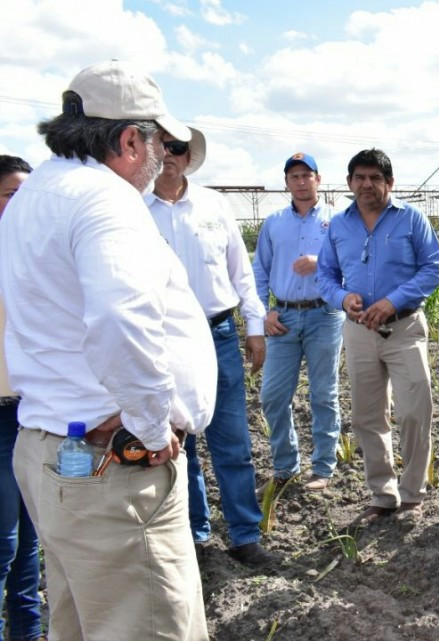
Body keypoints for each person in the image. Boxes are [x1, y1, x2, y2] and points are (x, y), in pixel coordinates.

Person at [0, 60, 214, 641]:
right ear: (128, 140)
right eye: (160, 143)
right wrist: (150, 426)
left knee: (81, 623)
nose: (161, 158)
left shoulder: (33, 195)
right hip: (112, 471)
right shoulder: (104, 200)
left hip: (55, 454)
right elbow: (120, 320)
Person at [146, 126, 275, 567]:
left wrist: (254, 327)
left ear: (188, 157)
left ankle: (244, 534)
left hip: (217, 333)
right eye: (162, 145)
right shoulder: (132, 208)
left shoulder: (213, 205)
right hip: (160, 338)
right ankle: (194, 534)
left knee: (232, 441)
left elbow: (242, 273)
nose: (169, 154)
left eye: (178, 148)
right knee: (179, 441)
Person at [316, 148, 439, 524]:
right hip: (358, 332)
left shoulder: (410, 219)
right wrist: (343, 297)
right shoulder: (339, 225)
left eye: (375, 178)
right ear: (350, 183)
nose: (366, 184)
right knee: (367, 416)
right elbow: (325, 275)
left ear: (390, 183)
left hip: (404, 328)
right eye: (359, 177)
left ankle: (412, 494)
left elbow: (434, 269)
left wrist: (393, 301)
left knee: (414, 411)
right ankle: (382, 493)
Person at [254, 152, 345, 493]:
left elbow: (351, 264)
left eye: (307, 175)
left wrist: (320, 261)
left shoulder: (338, 221)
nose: (301, 182)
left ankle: (322, 467)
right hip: (284, 317)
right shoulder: (274, 223)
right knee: (273, 396)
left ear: (318, 179)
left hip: (325, 314)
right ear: (287, 183)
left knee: (323, 394)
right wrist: (264, 311)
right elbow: (260, 271)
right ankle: (285, 467)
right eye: (294, 177)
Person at [0, 155, 43, 641]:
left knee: (34, 538)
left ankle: (29, 633)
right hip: (2, 413)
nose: (22, 205)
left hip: (36, 413)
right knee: (4, 541)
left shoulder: (36, 254)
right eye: (12, 194)